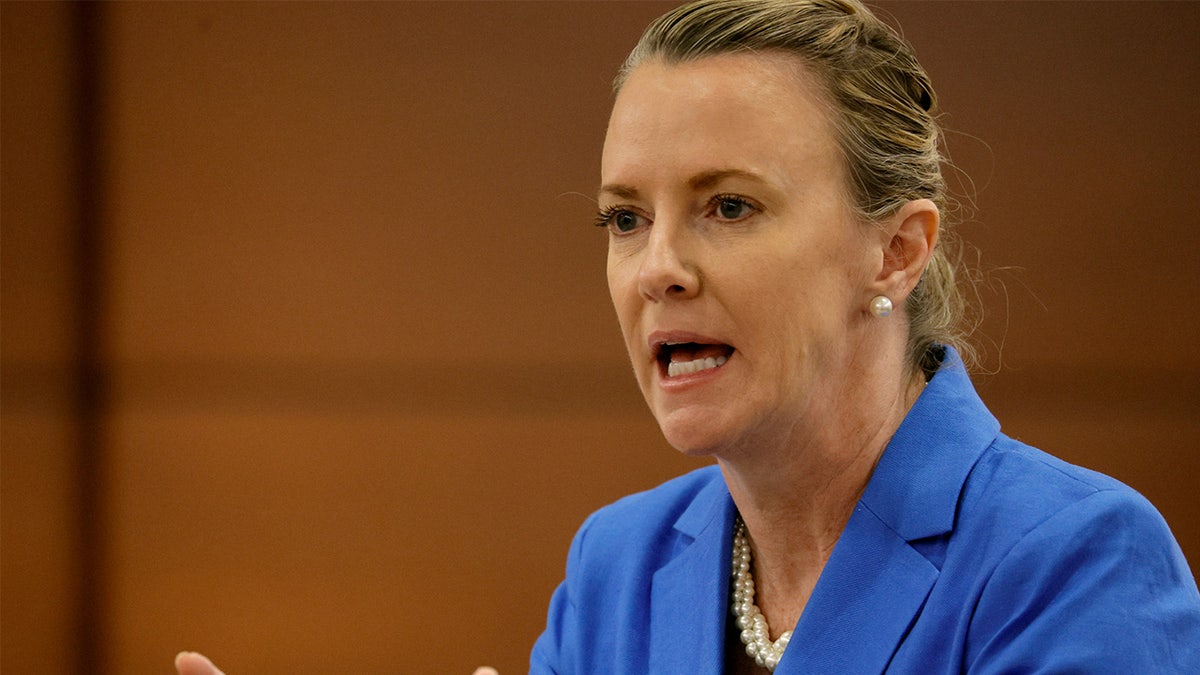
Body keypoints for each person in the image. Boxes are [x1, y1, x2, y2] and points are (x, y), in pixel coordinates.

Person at [177, 1, 1200, 673]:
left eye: (730, 207)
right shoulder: (616, 568)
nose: (658, 266)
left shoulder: (1074, 563)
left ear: (894, 251)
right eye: (625, 218)